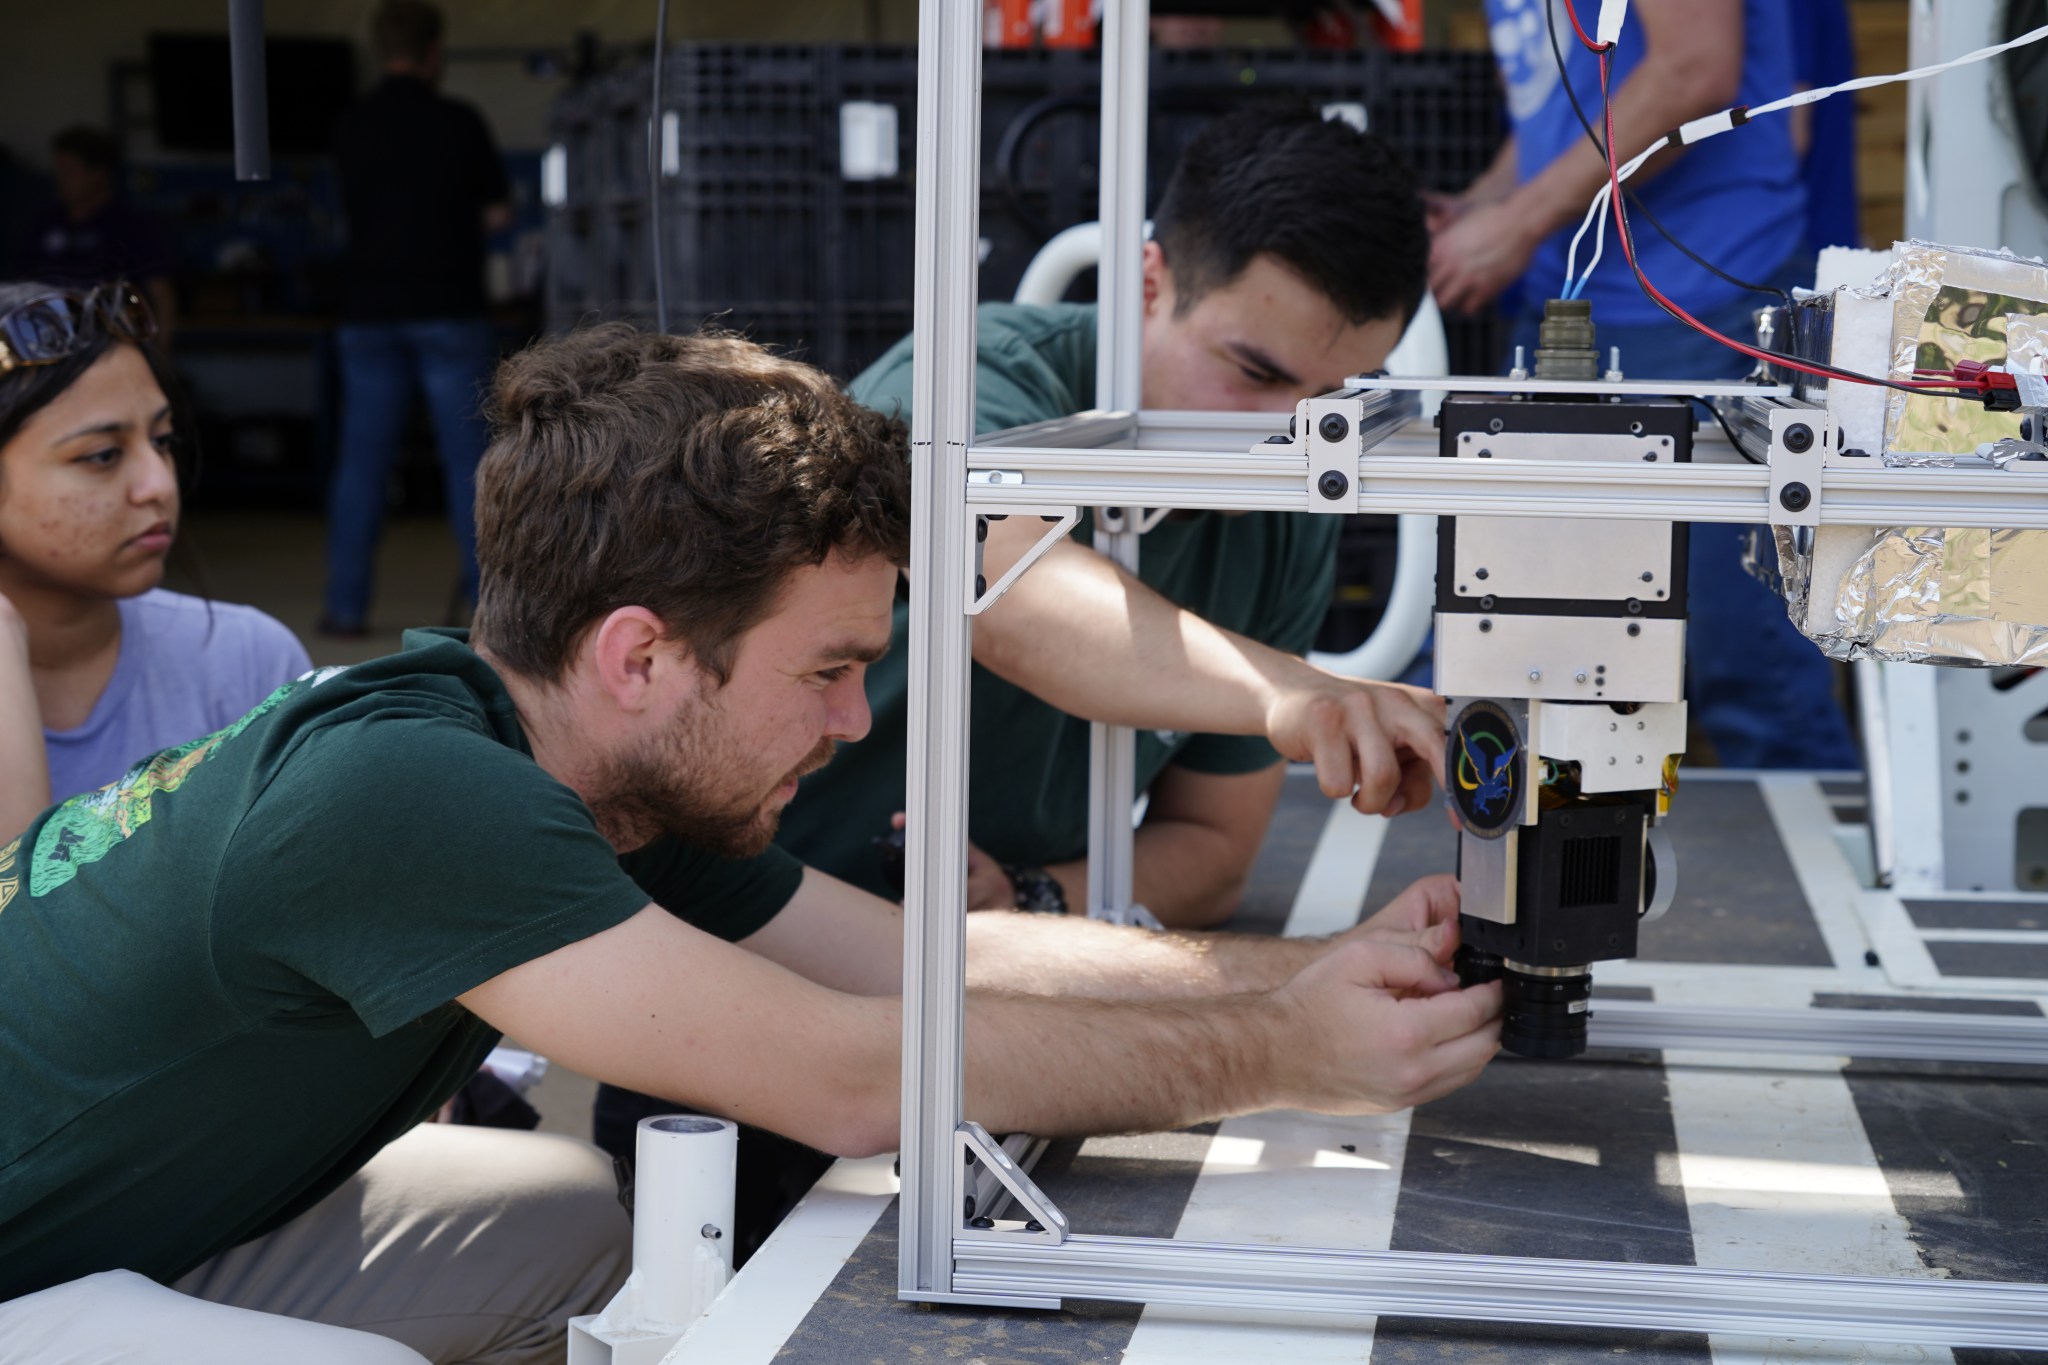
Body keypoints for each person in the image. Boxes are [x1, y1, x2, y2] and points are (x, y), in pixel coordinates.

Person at [0, 324, 1500, 1363]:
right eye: (828, 669)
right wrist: (1283, 1052)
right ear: (642, 658)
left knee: (573, 1218)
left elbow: (934, 960)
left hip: (108, 1227)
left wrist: (1309, 972)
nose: (857, 723)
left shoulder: (572, 772)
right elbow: (857, 1078)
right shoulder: (412, 799)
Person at [776, 105, 1441, 931]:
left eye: (1335, 398)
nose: (1294, 432)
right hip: (753, 915)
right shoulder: (965, 380)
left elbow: (1211, 846)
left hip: (973, 958)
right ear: (1148, 282)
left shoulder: (1294, 508)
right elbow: (1010, 594)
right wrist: (1286, 692)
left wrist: (1028, 896)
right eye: (1254, 371)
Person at [1425, 0, 1858, 771]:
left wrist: (1516, 223)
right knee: (1517, 639)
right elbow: (1559, 118)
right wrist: (1487, 206)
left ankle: (1826, 869)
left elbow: (1695, 70)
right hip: (1576, 299)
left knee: (1749, 672)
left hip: (1702, 293)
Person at [0, 281, 308, 840]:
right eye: (103, 455)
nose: (158, 484)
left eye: (163, 440)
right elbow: (18, 924)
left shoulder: (246, 664)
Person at [324, 0, 512, 638]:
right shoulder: (459, 122)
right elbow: (497, 215)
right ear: (435, 53)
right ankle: (492, 613)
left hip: (369, 312)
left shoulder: (351, 122)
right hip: (448, 310)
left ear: (383, 50)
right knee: (470, 466)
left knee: (361, 465)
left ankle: (345, 609)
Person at [17, 128, 176, 343]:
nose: (60, 178)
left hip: (111, 343)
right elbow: (20, 290)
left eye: (69, 171)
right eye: (57, 170)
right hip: (48, 342)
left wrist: (162, 352)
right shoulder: (45, 223)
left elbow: (160, 293)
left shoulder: (130, 226)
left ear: (98, 173)